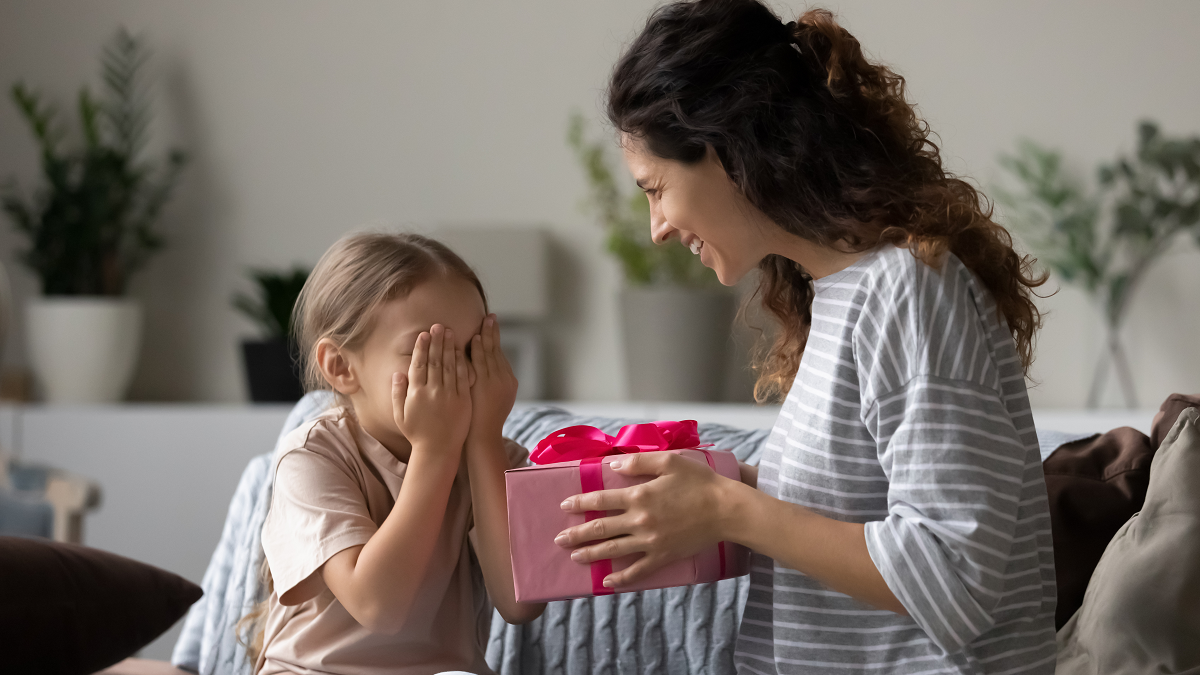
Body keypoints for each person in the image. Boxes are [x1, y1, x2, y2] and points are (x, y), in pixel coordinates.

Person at [552, 1, 1057, 673]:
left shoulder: (905, 289)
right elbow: (857, 509)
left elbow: (952, 575)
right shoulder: (837, 296)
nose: (658, 228)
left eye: (655, 189)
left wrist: (727, 507)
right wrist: (706, 492)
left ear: (728, 149)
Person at [248, 232, 544, 674]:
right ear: (342, 367)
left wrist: (483, 441)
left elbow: (520, 605)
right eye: (429, 353)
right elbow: (377, 606)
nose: (459, 373)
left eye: (472, 350)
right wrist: (435, 451)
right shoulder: (313, 458)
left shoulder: (492, 458)